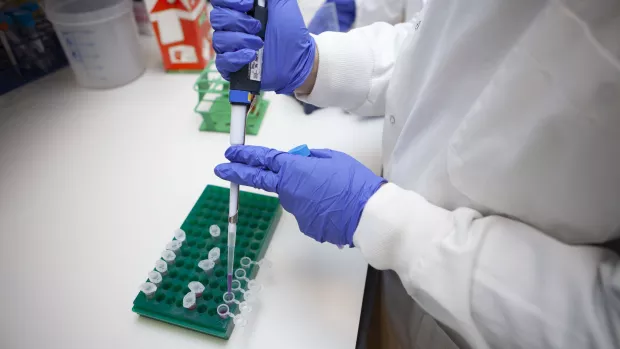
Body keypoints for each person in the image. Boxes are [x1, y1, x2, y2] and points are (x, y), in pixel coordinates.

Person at [210, 0, 620, 348]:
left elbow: (604, 323)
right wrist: (316, 64)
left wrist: (391, 227)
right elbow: (442, 47)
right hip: (401, 292)